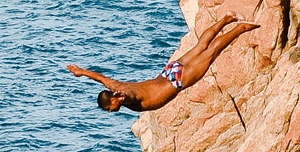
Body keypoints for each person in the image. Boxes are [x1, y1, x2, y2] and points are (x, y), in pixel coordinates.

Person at [67, 13, 257, 114]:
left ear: (114, 100)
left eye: (110, 108)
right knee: (201, 46)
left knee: (212, 52)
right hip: (167, 72)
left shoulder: (125, 98)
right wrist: (82, 72)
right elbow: (100, 78)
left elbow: (130, 96)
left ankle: (241, 28)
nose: (111, 112)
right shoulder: (114, 86)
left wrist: (123, 97)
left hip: (175, 81)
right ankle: (227, 18)